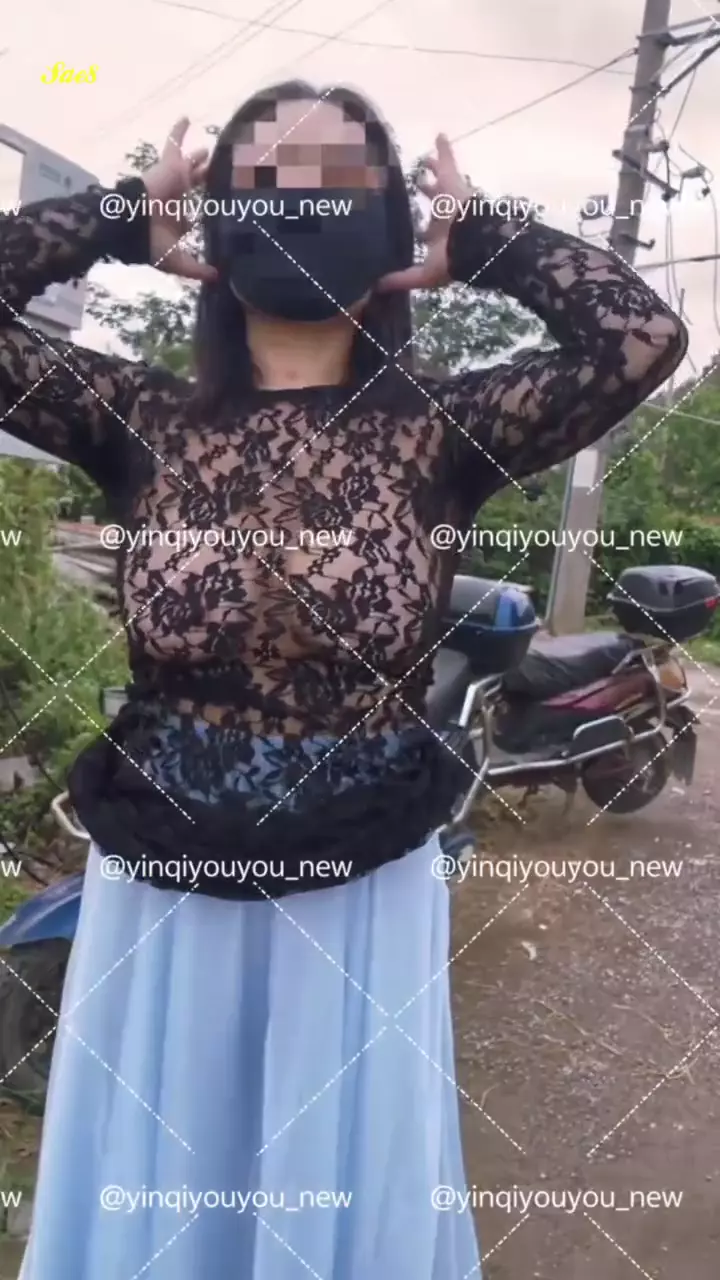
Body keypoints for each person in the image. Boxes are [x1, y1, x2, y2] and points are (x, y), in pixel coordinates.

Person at [1, 80, 686, 1280]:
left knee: (328, 1206)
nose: (300, 198)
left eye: (335, 176)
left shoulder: (442, 428)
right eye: (264, 176)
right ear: (219, 214)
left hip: (355, 894)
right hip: (159, 890)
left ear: (387, 221)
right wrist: (123, 215)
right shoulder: (133, 414)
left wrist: (483, 240)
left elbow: (640, 337)